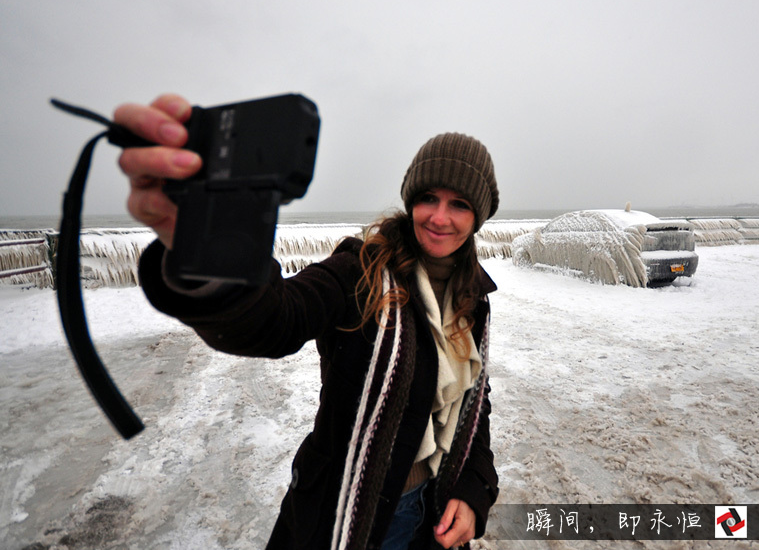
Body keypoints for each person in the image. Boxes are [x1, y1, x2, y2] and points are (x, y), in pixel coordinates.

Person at [115, 94, 501, 549]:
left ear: (478, 216)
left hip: (433, 515)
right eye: (428, 198)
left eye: (458, 204)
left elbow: (474, 403)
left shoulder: (471, 297)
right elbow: (277, 318)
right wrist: (210, 251)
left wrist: (472, 488)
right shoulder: (360, 273)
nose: (439, 217)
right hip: (347, 516)